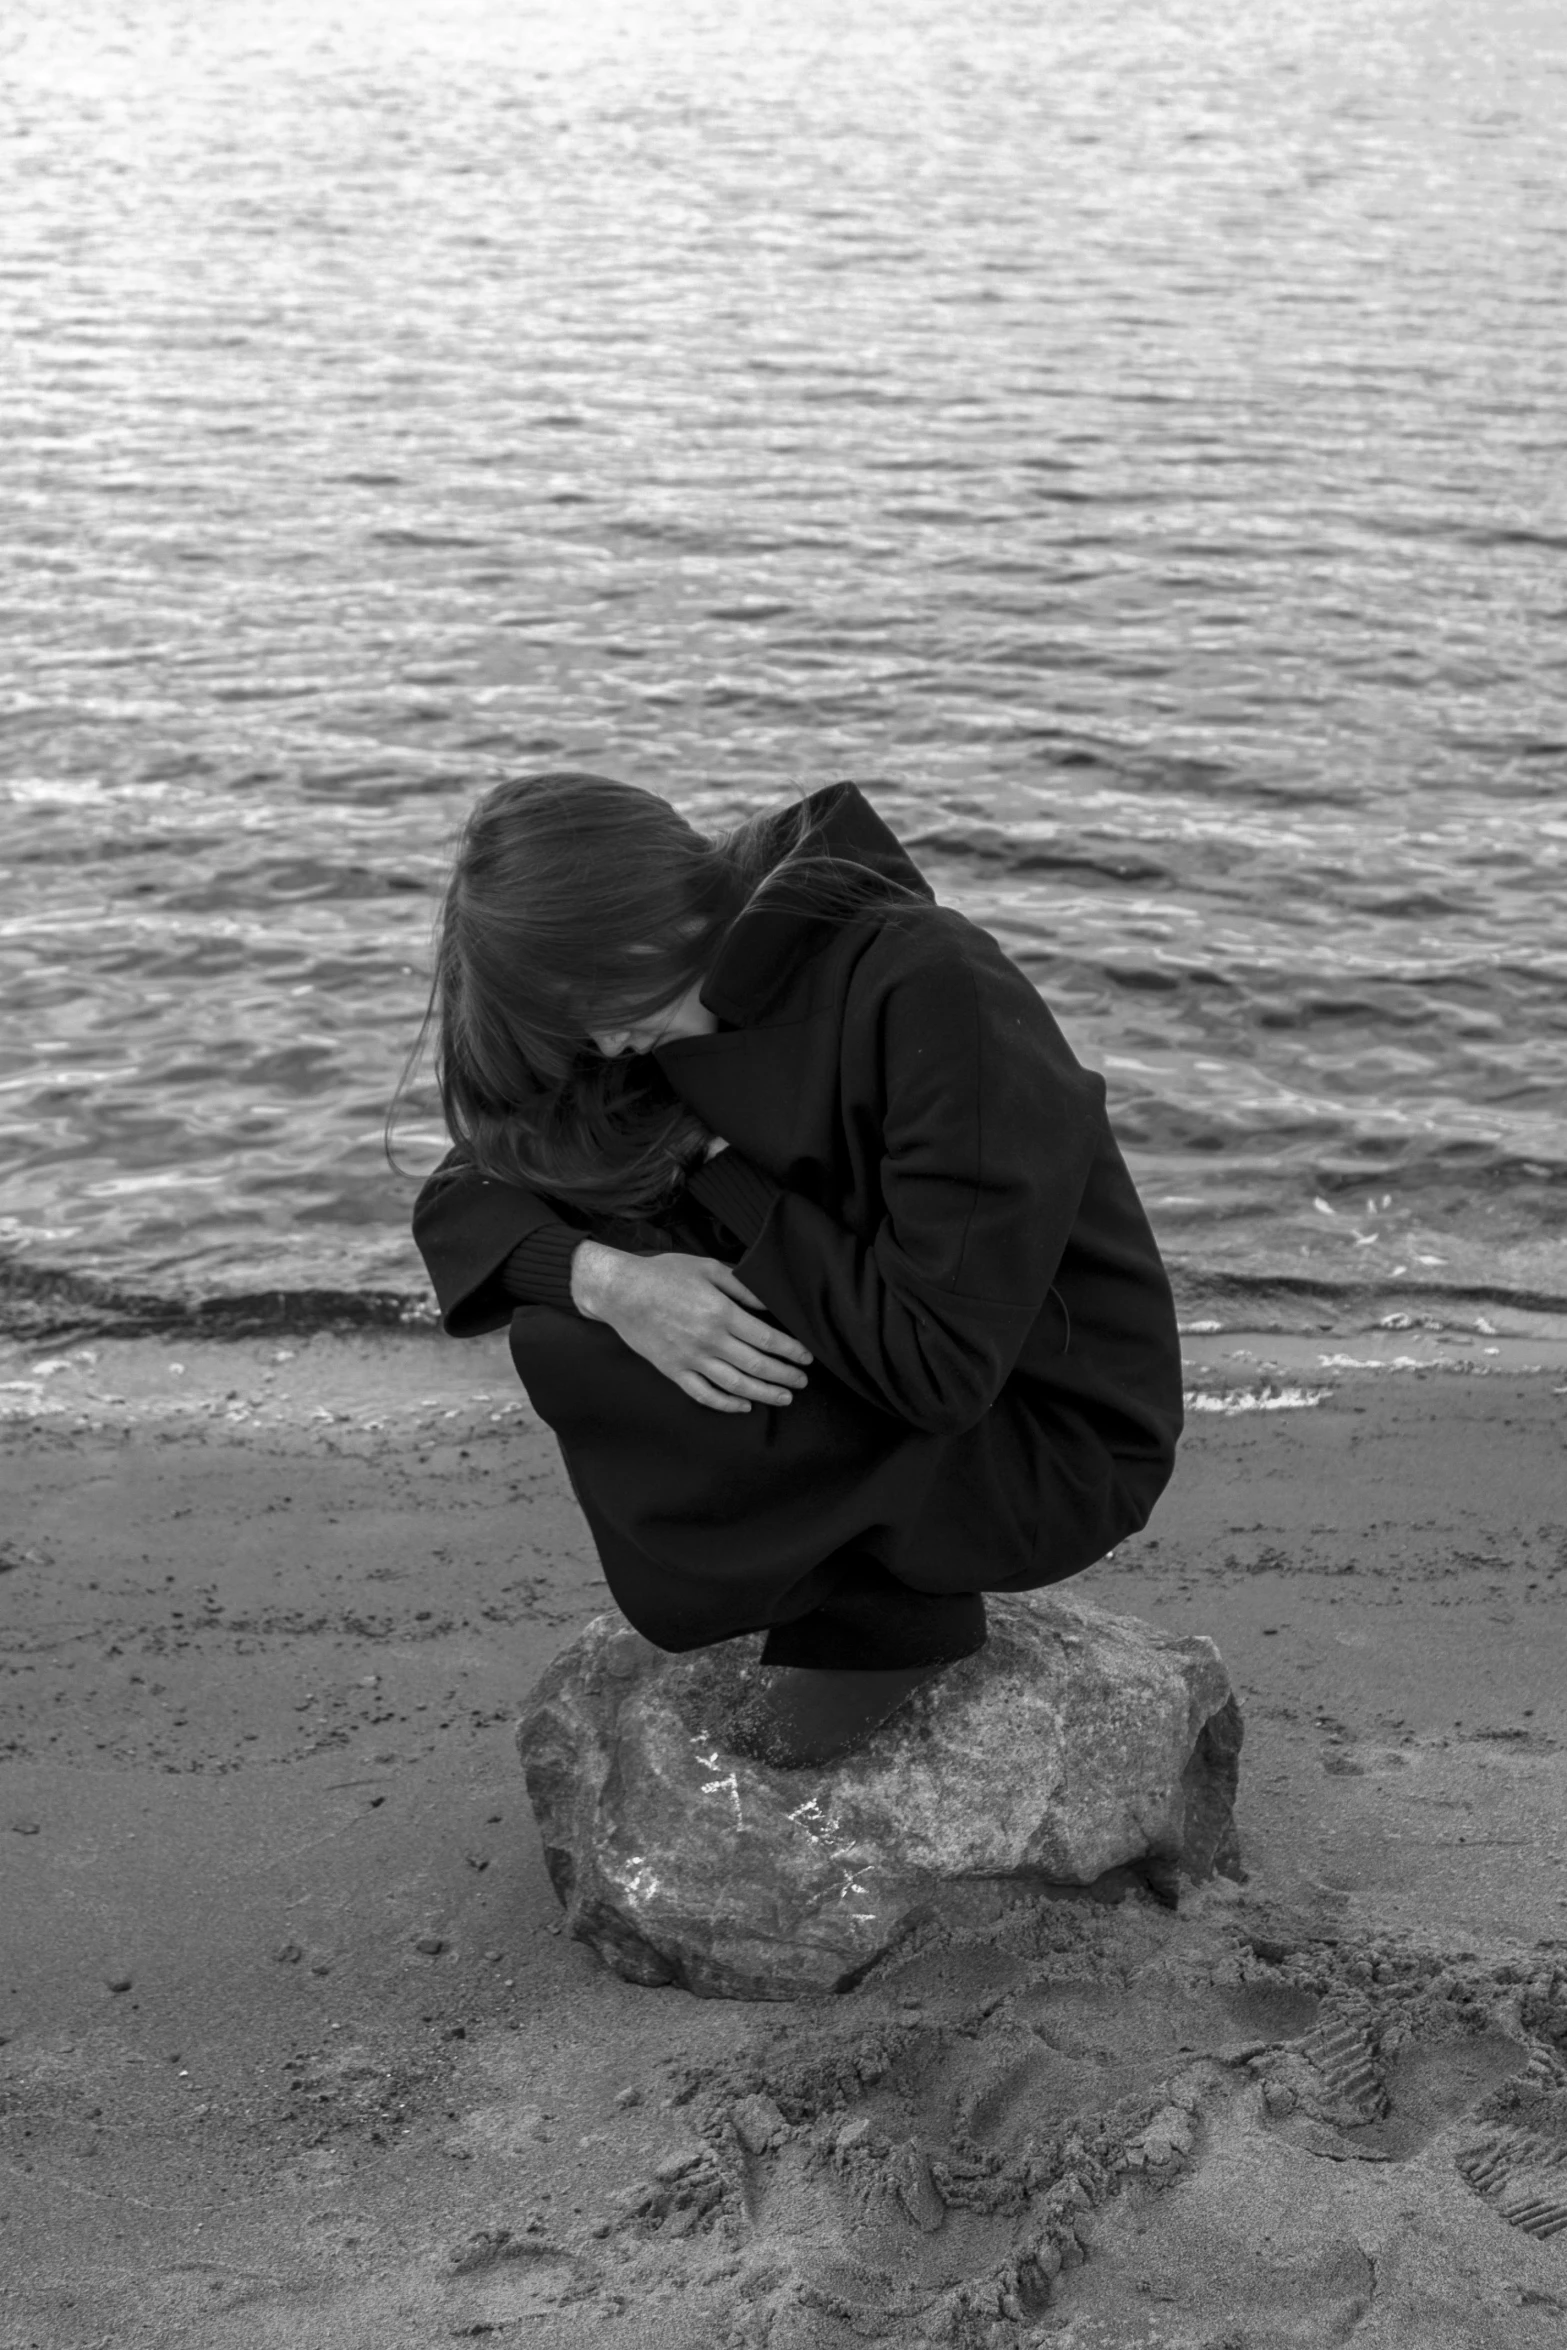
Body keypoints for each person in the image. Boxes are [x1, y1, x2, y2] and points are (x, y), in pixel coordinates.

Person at [401, 773, 1183, 1767]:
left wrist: (719, 1170)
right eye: (568, 1023)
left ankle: (883, 1627)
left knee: (613, 1331)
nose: (596, 1043)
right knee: (576, 1320)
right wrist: (610, 1279)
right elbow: (463, 1194)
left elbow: (942, 1366)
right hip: (877, 1353)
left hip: (1038, 1431)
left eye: (581, 1003)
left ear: (638, 921)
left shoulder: (930, 987)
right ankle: (846, 1600)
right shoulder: (657, 1001)